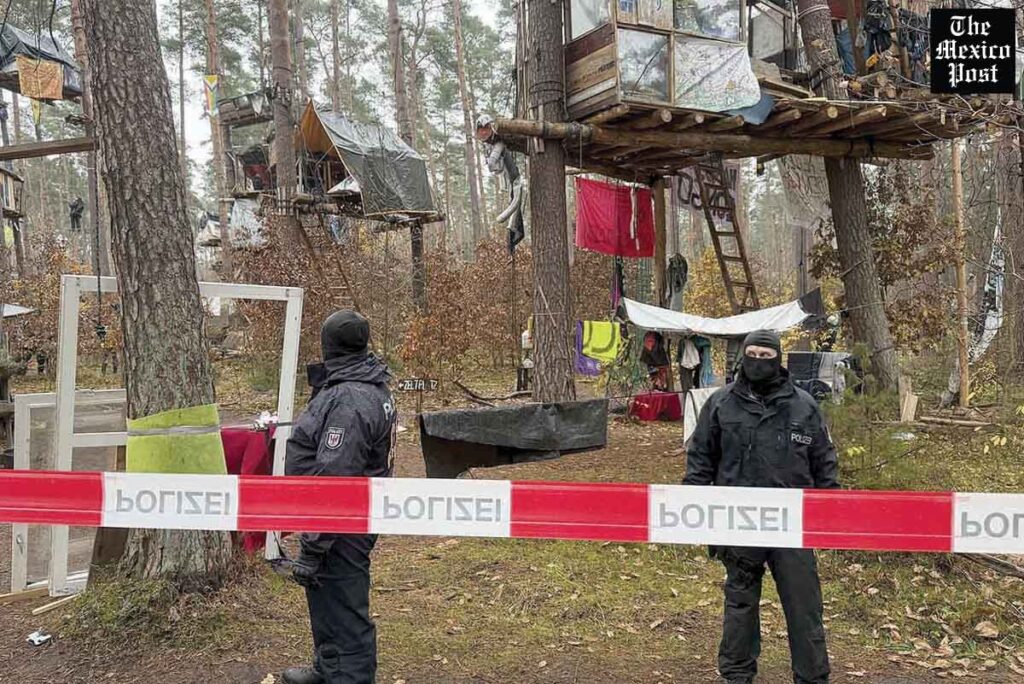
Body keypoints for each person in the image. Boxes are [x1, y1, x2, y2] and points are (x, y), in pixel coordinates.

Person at [683, 330, 839, 684]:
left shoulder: (803, 405)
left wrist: (831, 513)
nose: (758, 361)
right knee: (740, 605)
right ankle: (737, 675)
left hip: (792, 526)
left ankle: (813, 677)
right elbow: (701, 458)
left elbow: (824, 461)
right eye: (752, 353)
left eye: (766, 356)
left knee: (804, 606)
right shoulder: (720, 404)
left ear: (778, 359)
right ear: (743, 356)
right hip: (739, 522)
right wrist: (692, 508)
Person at [282, 310, 398, 684]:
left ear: (329, 345)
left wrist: (313, 546)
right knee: (327, 597)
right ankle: (329, 667)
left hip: (341, 525)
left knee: (344, 607)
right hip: (342, 521)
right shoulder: (363, 382)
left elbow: (335, 478)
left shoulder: (350, 399)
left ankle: (349, 676)